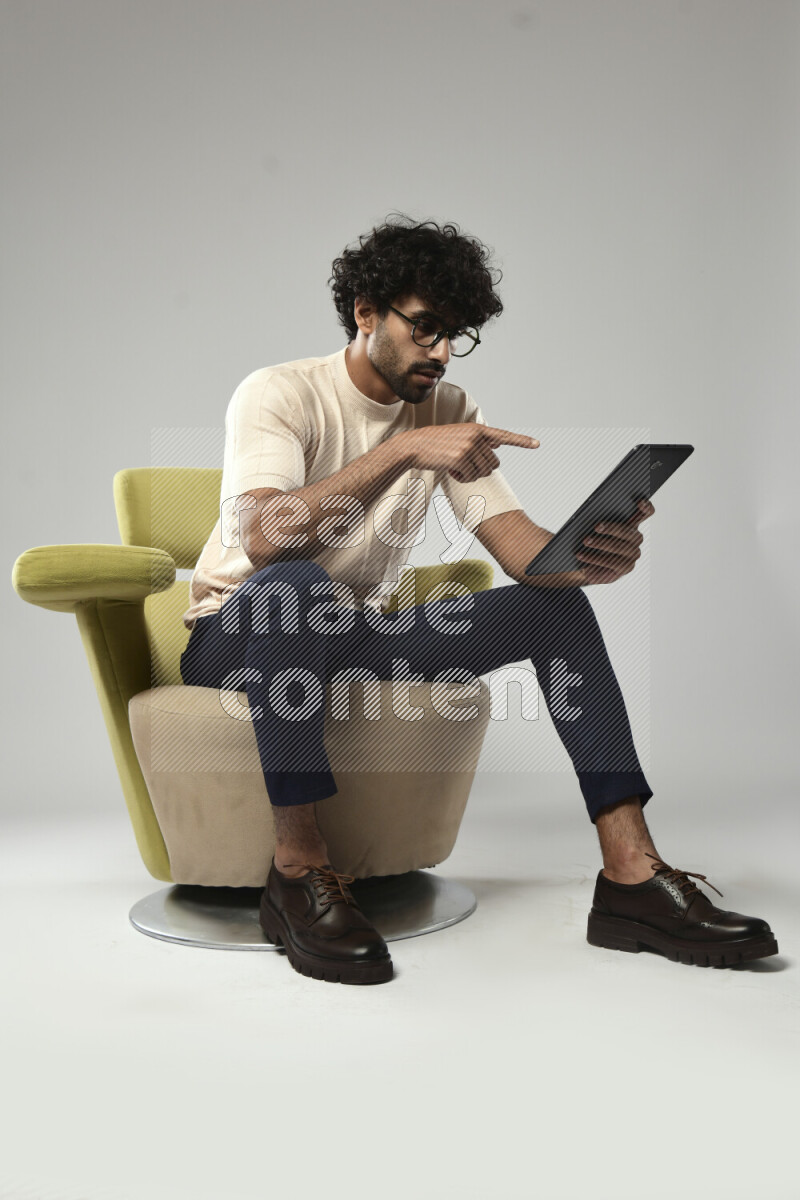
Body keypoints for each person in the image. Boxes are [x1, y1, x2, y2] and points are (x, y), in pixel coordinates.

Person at [179, 214, 778, 985]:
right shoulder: (280, 392)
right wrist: (401, 450)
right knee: (297, 585)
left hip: (352, 634)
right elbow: (264, 537)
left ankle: (631, 875)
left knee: (549, 609)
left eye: (455, 334)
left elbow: (515, 546)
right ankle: (297, 873)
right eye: (425, 328)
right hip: (238, 632)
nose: (441, 352)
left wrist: (583, 561)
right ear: (366, 313)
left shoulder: (447, 404)